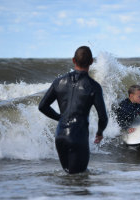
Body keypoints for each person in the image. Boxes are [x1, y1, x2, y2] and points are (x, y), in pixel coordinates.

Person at [38, 46, 108, 174]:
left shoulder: (58, 82)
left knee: (69, 177)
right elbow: (103, 117)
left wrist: (61, 118)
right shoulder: (94, 86)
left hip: (60, 136)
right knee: (79, 180)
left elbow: (42, 106)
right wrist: (99, 132)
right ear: (92, 61)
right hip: (78, 137)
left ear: (73, 60)